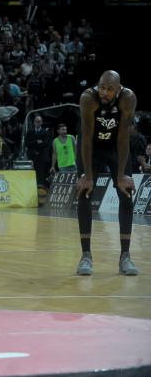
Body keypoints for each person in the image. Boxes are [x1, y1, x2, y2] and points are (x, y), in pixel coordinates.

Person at [75, 70, 138, 276]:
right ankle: (86, 255)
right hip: (90, 147)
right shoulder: (88, 98)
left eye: (110, 89)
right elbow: (85, 138)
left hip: (115, 147)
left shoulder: (128, 98)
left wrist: (121, 175)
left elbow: (123, 138)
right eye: (102, 87)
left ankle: (125, 256)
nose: (105, 92)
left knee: (126, 194)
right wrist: (87, 175)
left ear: (118, 89)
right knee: (84, 192)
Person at [25, 115, 52, 187]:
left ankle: (41, 188)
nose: (37, 123)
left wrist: (33, 143)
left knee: (41, 173)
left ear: (41, 122)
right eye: (36, 121)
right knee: (32, 172)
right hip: (32, 156)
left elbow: (45, 144)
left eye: (39, 121)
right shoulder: (29, 132)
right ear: (34, 122)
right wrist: (36, 141)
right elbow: (27, 143)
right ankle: (32, 186)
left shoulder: (45, 132)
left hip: (42, 156)